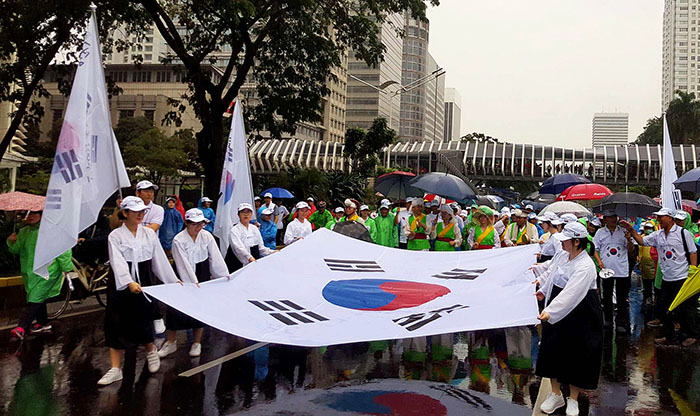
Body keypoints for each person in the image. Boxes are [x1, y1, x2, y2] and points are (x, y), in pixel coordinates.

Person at [98, 196, 181, 386]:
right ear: (125, 213)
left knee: (143, 317)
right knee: (116, 321)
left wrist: (172, 280)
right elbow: (117, 261)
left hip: (143, 278)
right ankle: (115, 368)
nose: (140, 215)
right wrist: (128, 282)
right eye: (135, 211)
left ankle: (151, 351)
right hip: (120, 282)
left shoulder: (149, 234)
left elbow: (158, 259)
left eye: (142, 211)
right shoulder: (115, 236)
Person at [534, 222, 604, 416]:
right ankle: (555, 394)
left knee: (577, 352)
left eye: (566, 240)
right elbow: (552, 275)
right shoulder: (563, 255)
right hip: (557, 306)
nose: (562, 243)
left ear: (576, 241)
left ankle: (573, 399)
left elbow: (572, 293)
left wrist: (551, 312)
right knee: (552, 349)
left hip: (581, 311)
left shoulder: (586, 265)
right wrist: (543, 290)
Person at [621, 208, 698, 347]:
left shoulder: (683, 233)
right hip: (667, 278)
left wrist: (692, 269)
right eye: (658, 217)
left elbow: (692, 252)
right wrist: (632, 230)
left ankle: (689, 335)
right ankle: (669, 335)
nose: (659, 220)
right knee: (664, 308)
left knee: (684, 309)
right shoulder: (658, 235)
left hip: (682, 277)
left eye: (661, 217)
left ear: (670, 217)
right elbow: (642, 241)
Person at [158, 208, 230, 359]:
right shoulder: (179, 240)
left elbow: (215, 258)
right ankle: (171, 341)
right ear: (187, 223)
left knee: (199, 308)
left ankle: (197, 342)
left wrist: (223, 275)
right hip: (183, 275)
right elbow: (182, 264)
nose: (198, 227)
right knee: (175, 309)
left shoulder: (207, 236)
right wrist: (191, 282)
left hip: (202, 271)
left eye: (201, 224)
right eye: (194, 224)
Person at [8, 210, 74, 340]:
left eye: (34, 213)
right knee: (37, 296)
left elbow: (62, 250)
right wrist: (11, 241)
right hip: (29, 271)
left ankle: (22, 327)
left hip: (48, 271)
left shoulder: (52, 231)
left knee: (35, 297)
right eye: (29, 214)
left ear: (42, 215)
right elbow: (16, 250)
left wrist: (66, 268)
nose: (30, 216)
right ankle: (43, 323)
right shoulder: (24, 232)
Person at [592, 210, 634, 332]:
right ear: (605, 219)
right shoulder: (600, 233)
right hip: (606, 269)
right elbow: (595, 249)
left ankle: (621, 322)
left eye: (614, 217)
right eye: (610, 217)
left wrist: (629, 239)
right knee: (607, 295)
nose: (613, 220)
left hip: (622, 269)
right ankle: (608, 320)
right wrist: (599, 261)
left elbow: (631, 250)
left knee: (622, 297)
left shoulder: (623, 232)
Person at [226, 203, 276, 272]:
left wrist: (273, 252)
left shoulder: (254, 229)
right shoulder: (234, 230)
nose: (246, 214)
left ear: (251, 214)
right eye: (243, 212)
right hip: (238, 264)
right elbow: (238, 248)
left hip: (253, 263)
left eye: (248, 212)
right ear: (238, 214)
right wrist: (250, 258)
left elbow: (261, 248)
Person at [638, 221, 659, 308]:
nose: (648, 230)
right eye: (647, 228)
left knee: (656, 283)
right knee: (646, 283)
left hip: (655, 263)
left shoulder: (656, 238)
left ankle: (656, 300)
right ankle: (648, 298)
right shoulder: (642, 238)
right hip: (645, 263)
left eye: (650, 228)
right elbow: (640, 251)